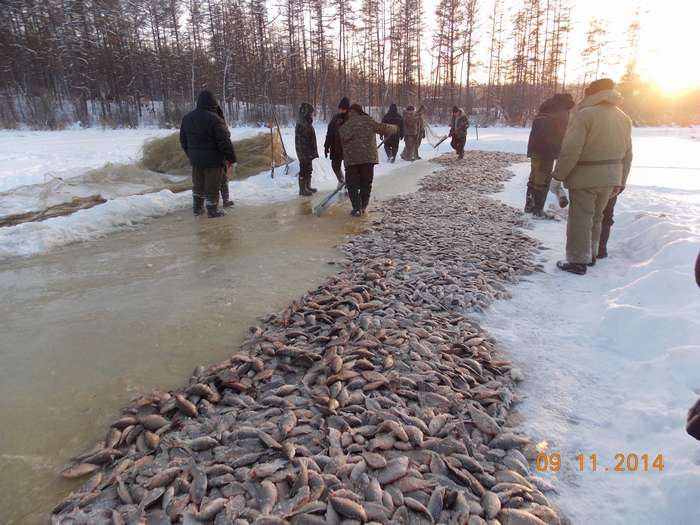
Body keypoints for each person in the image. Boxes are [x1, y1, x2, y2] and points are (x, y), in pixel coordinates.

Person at [552, 78, 633, 275]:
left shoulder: (585, 115)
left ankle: (577, 259)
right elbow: (628, 154)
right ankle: (592, 254)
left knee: (581, 218)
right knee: (597, 217)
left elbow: (571, 150)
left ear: (591, 94)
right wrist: (621, 181)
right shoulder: (623, 117)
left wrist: (558, 175)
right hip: (611, 176)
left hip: (585, 176)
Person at [180, 90, 236, 218]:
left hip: (196, 160)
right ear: (213, 103)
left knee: (198, 184)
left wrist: (191, 154)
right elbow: (224, 141)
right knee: (212, 185)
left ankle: (197, 208)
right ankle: (212, 210)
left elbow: (183, 140)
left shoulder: (187, 118)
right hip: (213, 160)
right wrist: (231, 158)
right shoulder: (215, 119)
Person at [338, 104, 398, 216]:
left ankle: (356, 207)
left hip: (352, 160)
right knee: (366, 183)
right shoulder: (368, 121)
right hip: (368, 158)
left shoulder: (345, 125)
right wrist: (395, 128)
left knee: (352, 185)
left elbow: (341, 138)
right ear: (360, 111)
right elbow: (383, 128)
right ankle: (363, 206)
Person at [525, 93, 576, 217]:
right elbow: (563, 133)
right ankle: (538, 210)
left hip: (534, 150)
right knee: (543, 179)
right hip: (546, 151)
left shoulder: (545, 109)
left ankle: (529, 206)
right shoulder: (561, 112)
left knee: (534, 177)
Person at [324, 97, 350, 188]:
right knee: (335, 166)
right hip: (336, 148)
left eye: (343, 109)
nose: (341, 110)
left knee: (349, 168)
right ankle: (341, 180)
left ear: (347, 109)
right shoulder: (335, 118)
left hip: (348, 149)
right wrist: (326, 146)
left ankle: (349, 184)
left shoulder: (351, 119)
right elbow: (329, 133)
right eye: (340, 108)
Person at [295, 102, 319, 197]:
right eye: (310, 113)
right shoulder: (302, 123)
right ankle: (302, 189)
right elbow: (302, 140)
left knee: (309, 169)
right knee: (304, 169)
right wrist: (306, 152)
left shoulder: (306, 122)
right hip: (303, 151)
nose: (311, 115)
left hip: (308, 151)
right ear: (306, 112)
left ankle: (307, 186)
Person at [215, 105, 234, 208]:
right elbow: (226, 135)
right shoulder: (218, 121)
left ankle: (225, 200)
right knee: (221, 179)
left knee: (222, 178)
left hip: (220, 154)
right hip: (217, 154)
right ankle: (221, 201)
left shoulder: (218, 120)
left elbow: (227, 135)